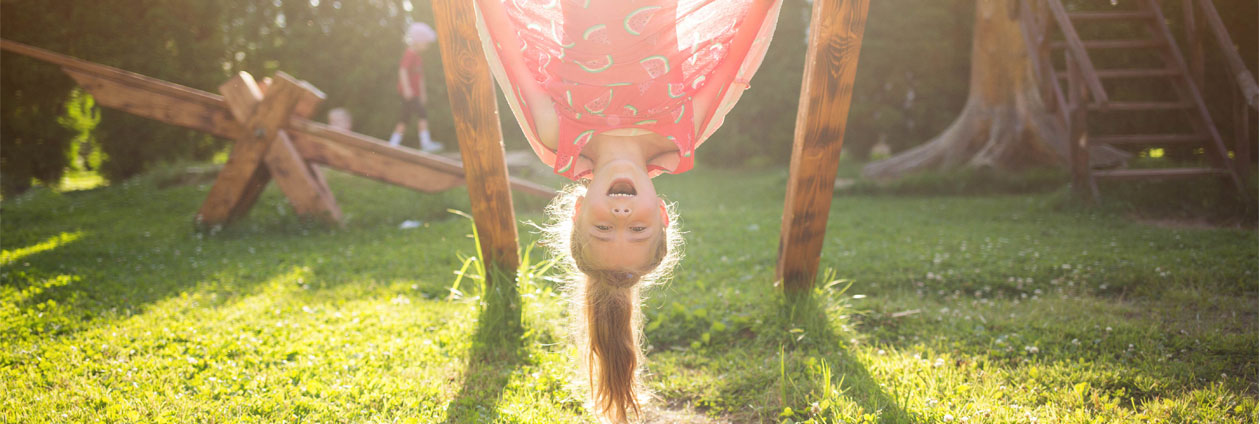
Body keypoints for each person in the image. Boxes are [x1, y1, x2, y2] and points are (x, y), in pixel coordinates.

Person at [476, 0, 781, 421]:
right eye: (638, 230)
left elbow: (508, 48)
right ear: (663, 214)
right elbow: (737, 50)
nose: (621, 218)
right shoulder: (682, 132)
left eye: (602, 227)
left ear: (578, 211)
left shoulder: (559, 134)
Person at [389, 22, 443, 152]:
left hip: (415, 94)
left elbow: (420, 77)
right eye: (425, 42)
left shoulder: (418, 57)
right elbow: (402, 70)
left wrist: (423, 93)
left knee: (404, 119)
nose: (427, 45)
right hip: (409, 93)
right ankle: (425, 143)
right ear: (418, 41)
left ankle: (392, 145)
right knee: (422, 114)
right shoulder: (410, 54)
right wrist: (407, 88)